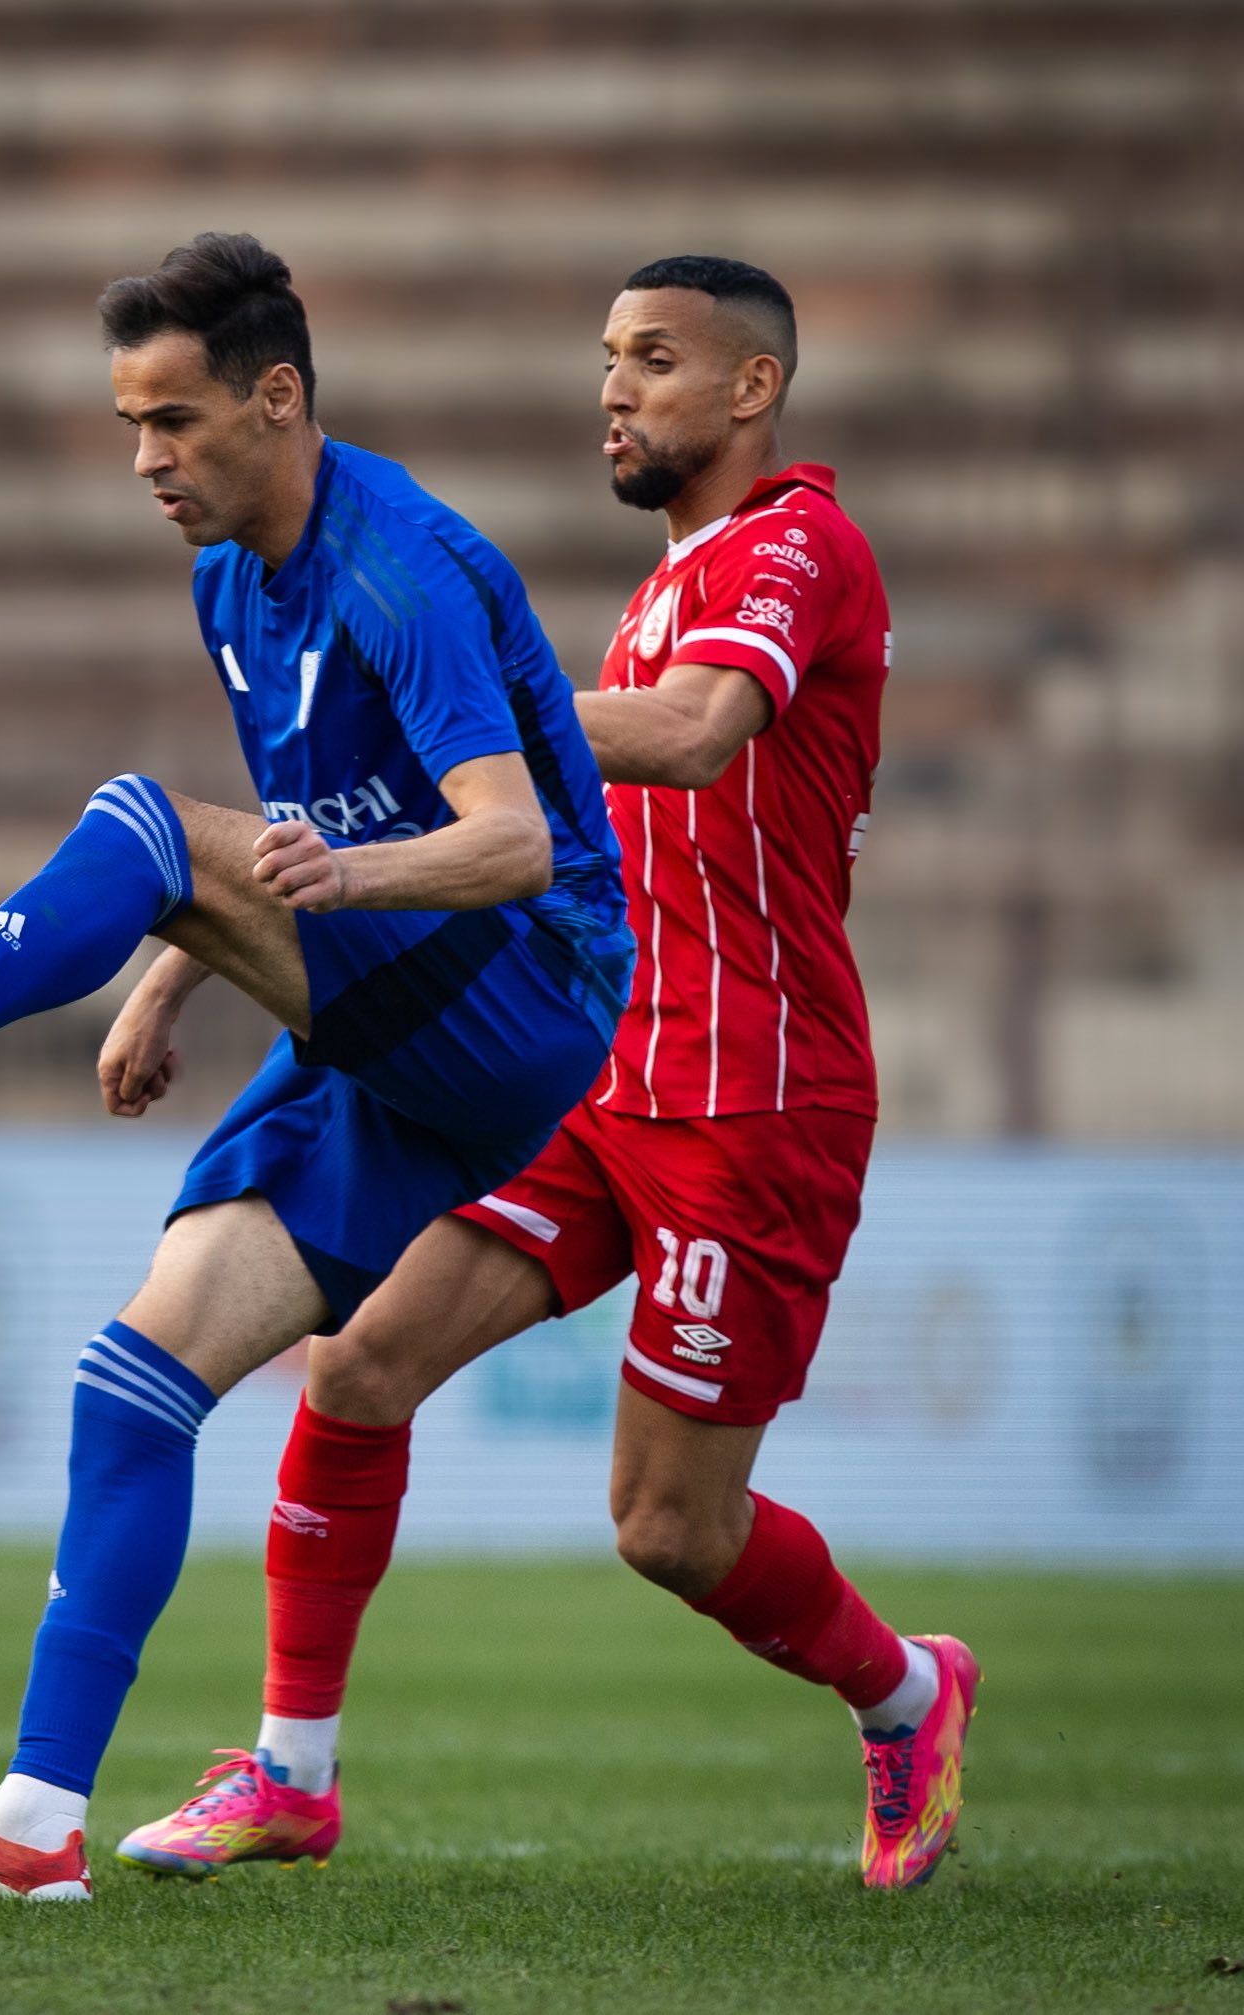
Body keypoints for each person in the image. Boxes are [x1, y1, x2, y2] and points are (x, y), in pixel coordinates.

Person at [0, 232, 634, 1901]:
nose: (146, 460)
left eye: (175, 420)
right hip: (395, 1037)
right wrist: (171, 974)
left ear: (278, 399)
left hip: (529, 992)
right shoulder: (227, 583)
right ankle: (32, 1828)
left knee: (139, 818)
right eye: (131, 423)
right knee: (134, 1383)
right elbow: (295, 828)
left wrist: (301, 888)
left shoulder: (401, 569)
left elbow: (508, 846)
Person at [116, 255, 979, 1895]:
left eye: (653, 359)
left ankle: (906, 1691)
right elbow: (438, 829)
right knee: (356, 1366)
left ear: (753, 388)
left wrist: (471, 702)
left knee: (668, 1529)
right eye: (607, 357)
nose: (613, 390)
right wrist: (181, 962)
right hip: (598, 1075)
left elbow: (698, 731)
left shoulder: (798, 546)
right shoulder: (661, 588)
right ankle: (290, 1772)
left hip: (754, 1097)